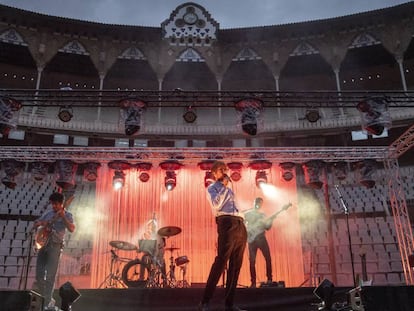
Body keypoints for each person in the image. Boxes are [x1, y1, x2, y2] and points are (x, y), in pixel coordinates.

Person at [199, 161, 247, 311]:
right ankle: (205, 302)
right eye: (221, 169)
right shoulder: (212, 188)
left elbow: (234, 207)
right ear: (214, 173)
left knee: (236, 266)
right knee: (221, 262)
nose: (225, 171)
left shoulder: (230, 188)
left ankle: (229, 304)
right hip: (226, 223)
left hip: (239, 224)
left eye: (225, 169)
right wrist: (224, 187)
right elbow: (216, 205)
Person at [32, 192, 75, 310]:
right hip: (43, 246)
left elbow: (71, 228)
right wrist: (41, 223)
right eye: (52, 204)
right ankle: (46, 299)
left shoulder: (68, 215)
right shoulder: (48, 214)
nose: (54, 206)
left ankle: (47, 302)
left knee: (50, 276)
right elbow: (36, 224)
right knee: (39, 275)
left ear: (62, 204)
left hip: (55, 247)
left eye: (56, 204)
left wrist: (63, 217)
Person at [244, 197, 273, 288]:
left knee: (268, 258)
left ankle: (269, 279)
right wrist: (247, 232)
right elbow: (242, 223)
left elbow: (267, 228)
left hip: (261, 238)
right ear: (253, 203)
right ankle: (253, 282)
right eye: (257, 202)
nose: (258, 204)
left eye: (260, 203)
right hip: (252, 240)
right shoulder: (248, 213)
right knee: (252, 261)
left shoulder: (263, 215)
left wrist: (271, 221)